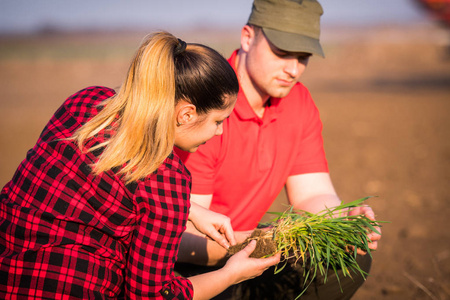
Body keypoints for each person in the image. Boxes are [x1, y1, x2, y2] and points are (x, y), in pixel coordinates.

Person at [0, 31, 280, 300]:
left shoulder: (85, 103)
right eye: (218, 121)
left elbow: (102, 183)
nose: (219, 132)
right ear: (186, 114)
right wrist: (231, 275)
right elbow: (151, 296)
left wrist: (191, 211)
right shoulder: (168, 179)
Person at [174, 0, 382, 299]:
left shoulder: (299, 102)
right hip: (194, 267)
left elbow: (311, 194)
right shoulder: (209, 107)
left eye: (303, 57)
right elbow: (178, 235)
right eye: (282, 53)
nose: (293, 68)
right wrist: (259, 243)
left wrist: (343, 220)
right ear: (247, 37)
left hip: (253, 251)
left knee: (347, 257)